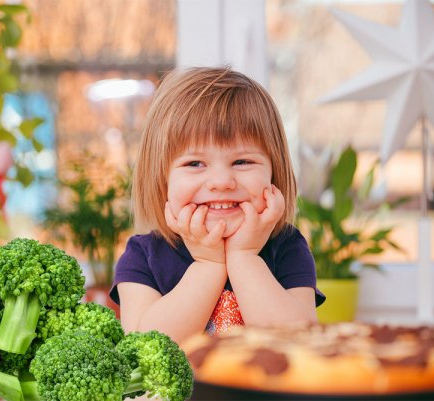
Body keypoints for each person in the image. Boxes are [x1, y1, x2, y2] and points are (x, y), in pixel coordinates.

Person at [109, 67, 325, 344]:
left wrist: (244, 257)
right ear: (162, 179)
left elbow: (300, 342)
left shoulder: (287, 246)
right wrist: (208, 265)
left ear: (274, 173)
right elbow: (146, 349)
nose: (222, 182)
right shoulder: (143, 256)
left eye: (242, 162)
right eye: (195, 164)